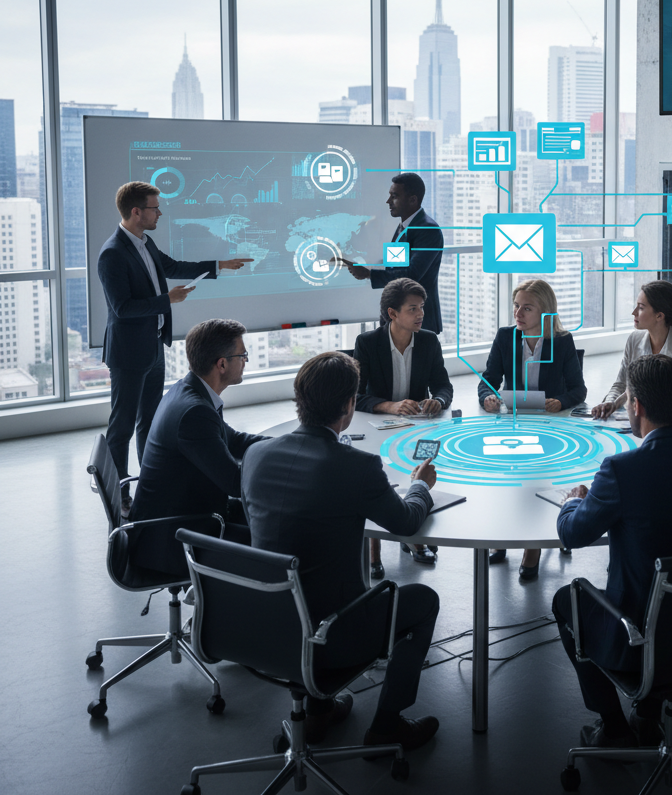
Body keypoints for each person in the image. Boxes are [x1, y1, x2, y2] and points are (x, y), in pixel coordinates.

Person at [242, 351, 440, 750]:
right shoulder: (356, 467)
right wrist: (421, 485)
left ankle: (319, 713)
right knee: (423, 600)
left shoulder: (255, 455)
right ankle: (387, 725)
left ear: (299, 399)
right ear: (350, 405)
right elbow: (404, 522)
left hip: (259, 629)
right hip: (331, 637)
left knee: (306, 576)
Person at [553, 355, 672, 749]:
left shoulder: (621, 469)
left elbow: (572, 534)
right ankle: (649, 714)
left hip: (638, 632)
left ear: (635, 406)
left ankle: (614, 728)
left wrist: (573, 501)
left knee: (566, 601)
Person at [98, 181, 253, 517]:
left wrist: (219, 266)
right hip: (128, 352)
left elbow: (169, 267)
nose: (160, 213)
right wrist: (165, 300)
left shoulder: (145, 242)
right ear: (136, 211)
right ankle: (118, 494)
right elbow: (121, 307)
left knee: (149, 421)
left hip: (153, 346)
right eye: (155, 207)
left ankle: (151, 482)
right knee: (122, 424)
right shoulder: (112, 253)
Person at [128, 318, 265, 578]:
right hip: (174, 539)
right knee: (278, 539)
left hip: (181, 515)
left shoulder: (189, 390)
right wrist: (283, 467)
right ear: (222, 364)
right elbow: (235, 483)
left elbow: (233, 440)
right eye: (242, 355)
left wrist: (289, 444)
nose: (245, 360)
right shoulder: (195, 412)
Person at [478, 279, 587, 579]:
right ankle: (501, 538)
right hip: (513, 423)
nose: (518, 313)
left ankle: (533, 548)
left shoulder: (562, 342)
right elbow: (487, 380)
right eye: (516, 306)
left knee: (538, 485)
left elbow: (579, 390)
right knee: (506, 483)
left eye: (527, 307)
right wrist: (487, 396)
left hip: (551, 427)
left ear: (545, 312)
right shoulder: (505, 337)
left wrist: (559, 401)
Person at [355, 277, 453, 572]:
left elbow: (444, 386)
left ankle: (413, 533)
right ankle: (374, 548)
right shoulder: (368, 343)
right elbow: (357, 396)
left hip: (417, 426)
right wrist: (389, 406)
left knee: (418, 470)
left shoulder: (428, 340)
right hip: (377, 425)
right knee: (379, 477)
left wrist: (437, 399)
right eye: (413, 309)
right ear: (392, 313)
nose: (421, 314)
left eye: (422, 307)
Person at [340, 172, 444, 335]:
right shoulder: (403, 226)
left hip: (419, 323)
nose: (388, 201)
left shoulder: (428, 229)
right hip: (398, 321)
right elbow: (394, 266)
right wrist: (367, 266)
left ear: (412, 199)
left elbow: (412, 275)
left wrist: (369, 274)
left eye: (394, 196)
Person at [591, 280, 672, 419]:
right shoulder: (634, 339)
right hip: (634, 421)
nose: (633, 313)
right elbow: (620, 384)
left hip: (667, 423)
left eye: (641, 308)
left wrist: (647, 408)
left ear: (659, 316)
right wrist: (610, 402)